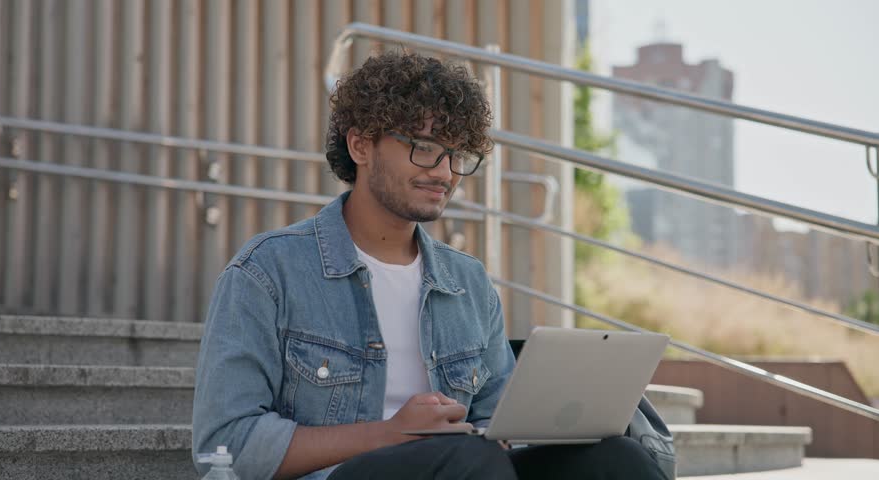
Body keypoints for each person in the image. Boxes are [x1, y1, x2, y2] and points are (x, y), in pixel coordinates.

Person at [192, 51, 668, 480]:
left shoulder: (467, 282)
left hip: (467, 470)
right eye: (423, 146)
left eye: (455, 154)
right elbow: (226, 442)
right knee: (467, 460)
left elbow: (494, 422)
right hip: (345, 475)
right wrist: (389, 434)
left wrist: (538, 424)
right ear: (360, 146)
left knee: (615, 460)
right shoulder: (267, 271)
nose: (443, 172)